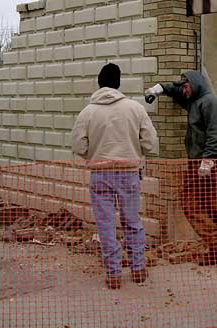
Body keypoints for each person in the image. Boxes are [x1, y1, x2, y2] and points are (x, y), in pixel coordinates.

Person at [72, 63, 159, 290]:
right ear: (119, 84)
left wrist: (95, 153)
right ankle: (138, 269)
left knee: (105, 224)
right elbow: (150, 143)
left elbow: (78, 145)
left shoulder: (87, 112)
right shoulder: (135, 108)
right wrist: (134, 150)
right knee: (132, 221)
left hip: (100, 173)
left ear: (99, 84)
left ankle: (113, 275)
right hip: (129, 172)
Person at [145, 71, 217, 267]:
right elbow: (176, 89)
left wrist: (208, 160)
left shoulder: (211, 104)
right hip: (199, 163)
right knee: (193, 204)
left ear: (196, 84)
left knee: (215, 206)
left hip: (212, 163)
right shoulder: (194, 101)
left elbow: (216, 134)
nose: (184, 90)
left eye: (186, 86)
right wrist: (158, 89)